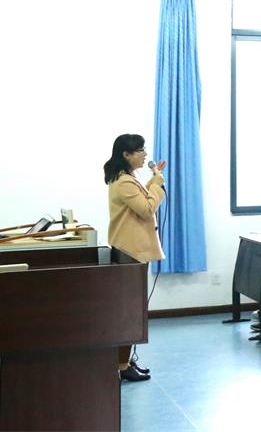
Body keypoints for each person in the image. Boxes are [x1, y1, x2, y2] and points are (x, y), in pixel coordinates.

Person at [104, 133, 165, 382]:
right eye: (140, 150)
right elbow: (147, 209)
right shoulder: (124, 182)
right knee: (129, 312)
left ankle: (126, 361)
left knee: (131, 310)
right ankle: (122, 365)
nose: (145, 154)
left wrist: (152, 181)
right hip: (131, 253)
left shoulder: (126, 178)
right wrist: (157, 184)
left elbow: (142, 200)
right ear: (126, 154)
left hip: (132, 251)